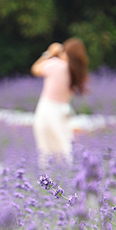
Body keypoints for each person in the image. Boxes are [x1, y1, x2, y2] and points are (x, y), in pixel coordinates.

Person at [30, 38, 89, 167]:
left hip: (47, 109)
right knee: (65, 147)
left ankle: (47, 180)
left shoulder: (56, 65)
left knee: (46, 150)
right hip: (63, 111)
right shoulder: (77, 72)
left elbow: (35, 69)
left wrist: (49, 53)